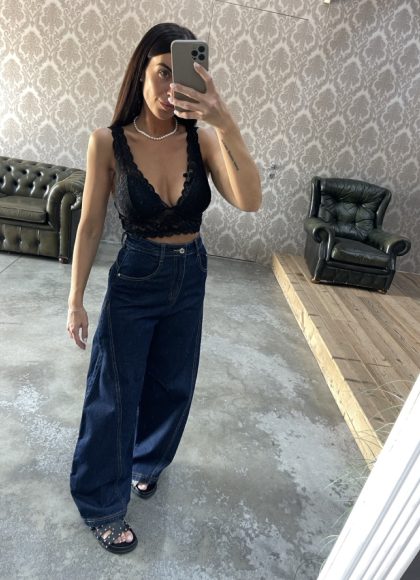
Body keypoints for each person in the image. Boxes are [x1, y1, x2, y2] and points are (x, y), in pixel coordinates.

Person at [67, 22, 262, 554]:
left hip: (190, 273)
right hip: (136, 275)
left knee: (173, 384)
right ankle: (100, 502)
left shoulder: (202, 139)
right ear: (140, 73)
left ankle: (146, 462)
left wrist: (224, 120)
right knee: (114, 392)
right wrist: (75, 300)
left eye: (181, 76)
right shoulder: (107, 142)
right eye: (160, 73)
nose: (169, 88)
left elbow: (249, 201)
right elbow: (90, 225)